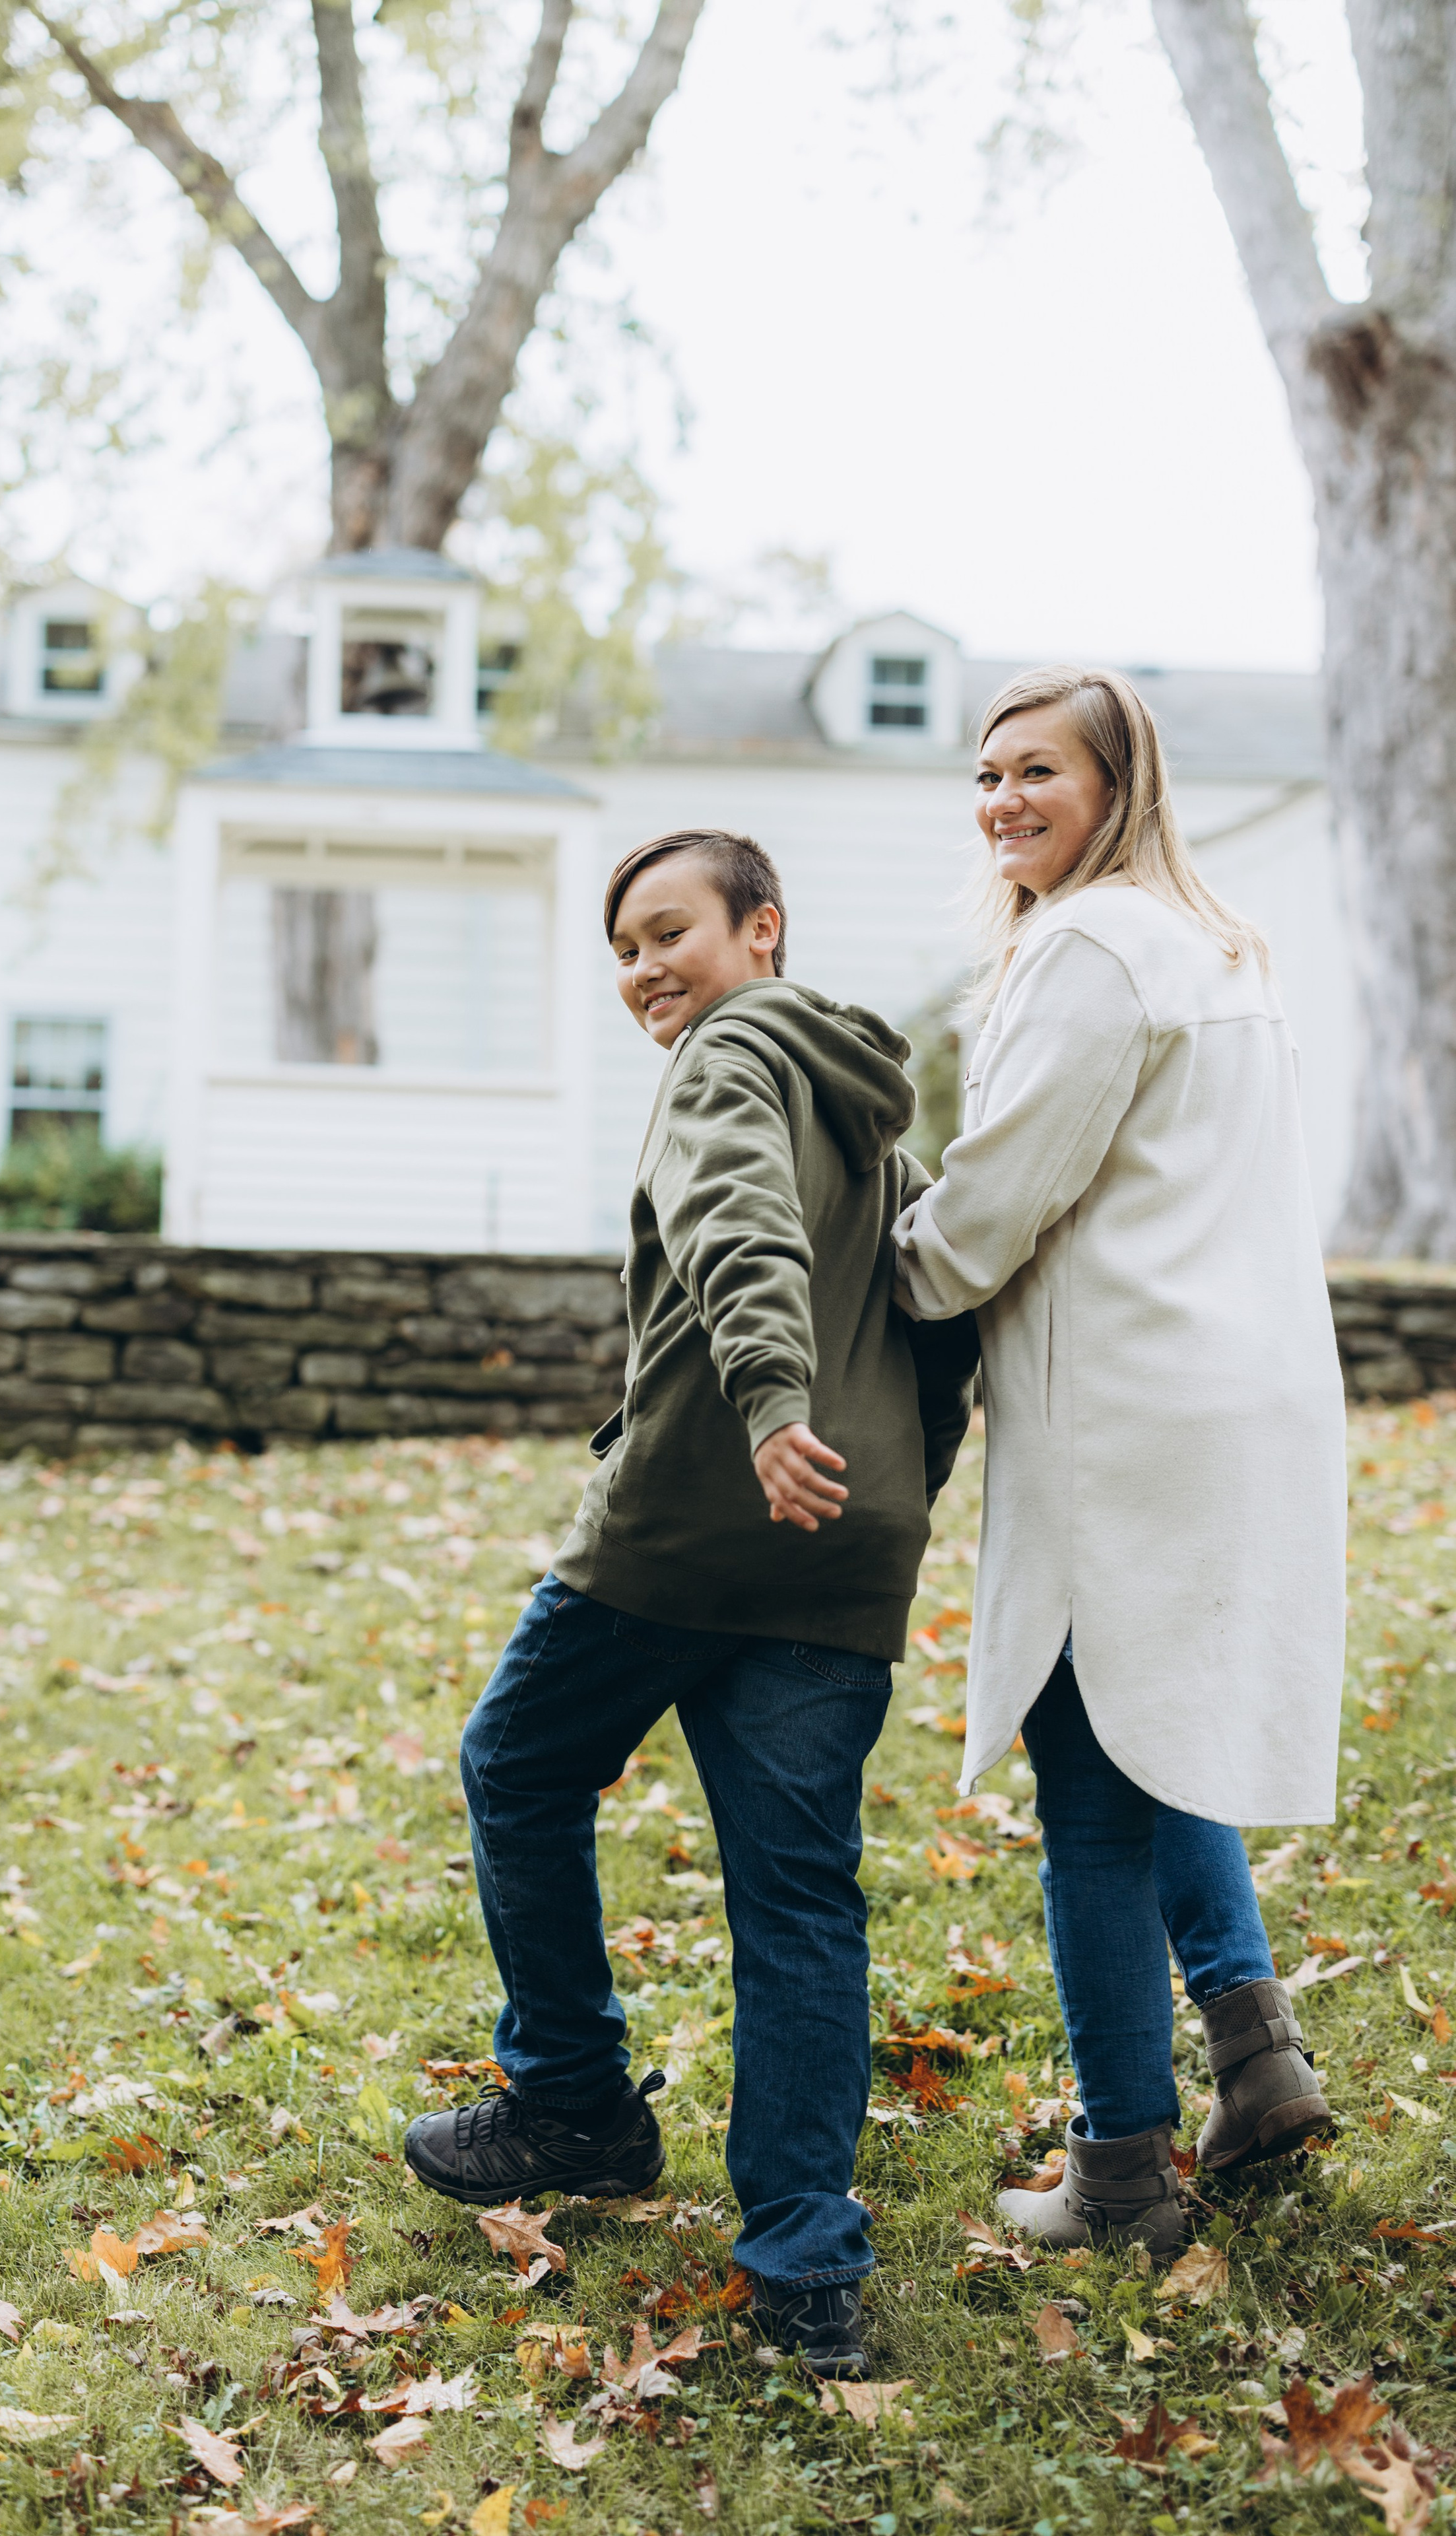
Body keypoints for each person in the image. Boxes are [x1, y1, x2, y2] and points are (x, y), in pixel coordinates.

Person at [405, 827, 979, 2378]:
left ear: (761, 930)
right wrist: (892, 1483)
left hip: (684, 1524)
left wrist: (767, 1400)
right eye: (624, 949)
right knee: (798, 1901)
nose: (646, 969)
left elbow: (736, 1221)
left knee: (515, 1765)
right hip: (838, 1548)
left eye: (671, 931)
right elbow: (938, 1330)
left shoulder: (728, 1058)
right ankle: (804, 2260)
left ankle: (574, 2100)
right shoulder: (874, 1119)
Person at [892, 668, 1346, 2253]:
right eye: (986, 772)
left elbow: (997, 1194)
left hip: (1130, 1407)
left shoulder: (1091, 947)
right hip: (1233, 1392)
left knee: (1086, 1786)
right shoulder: (1211, 943)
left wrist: (884, 1273)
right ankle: (1252, 2055)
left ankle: (1120, 2177)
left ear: (1117, 785)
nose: (1003, 799)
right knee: (1162, 1738)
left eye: (1039, 773)